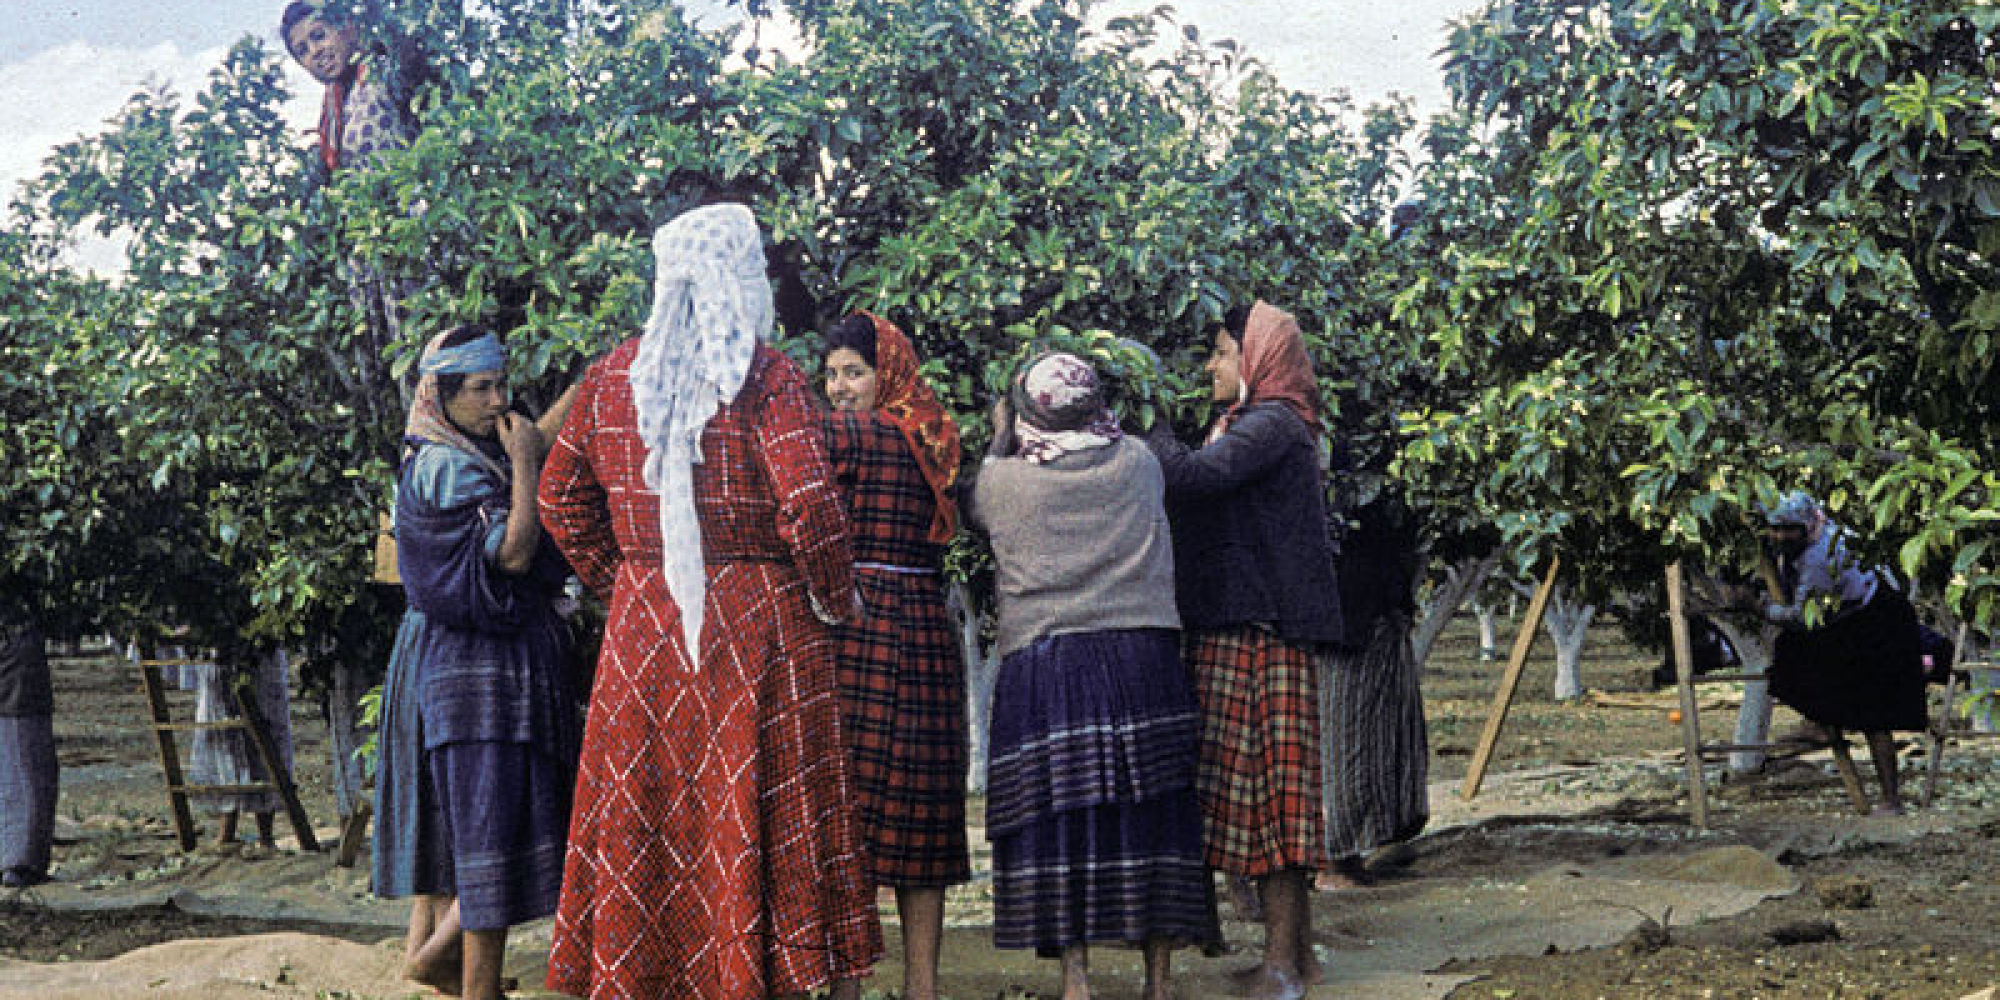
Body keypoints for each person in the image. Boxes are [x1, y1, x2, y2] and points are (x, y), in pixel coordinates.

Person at [539, 203, 882, 1000]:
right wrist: (834, 598)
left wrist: (627, 580)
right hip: (758, 630)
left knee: (653, 815)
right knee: (757, 808)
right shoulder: (763, 377)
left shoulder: (613, 376)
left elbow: (559, 499)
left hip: (644, 636)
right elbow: (809, 504)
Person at [971, 351, 1218, 1000]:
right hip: (1142, 661)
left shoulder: (1003, 483)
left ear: (1026, 410)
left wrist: (1000, 437)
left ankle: (1077, 981)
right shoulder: (1139, 462)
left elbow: (977, 501)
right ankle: (1158, 982)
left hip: (1049, 668)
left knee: (1059, 827)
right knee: (1154, 818)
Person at [1144, 301, 1342, 1000]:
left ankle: (1284, 965)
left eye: (1224, 353)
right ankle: (1298, 958)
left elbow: (1193, 480)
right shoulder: (1258, 425)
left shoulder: (1270, 426)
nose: (1211, 367)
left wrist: (1151, 419)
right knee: (1268, 799)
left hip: (1259, 631)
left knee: (1274, 804)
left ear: (1257, 359)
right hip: (1251, 622)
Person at [384, 324, 580, 1000]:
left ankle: (469, 982)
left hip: (470, 672)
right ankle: (449, 970)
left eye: (502, 385)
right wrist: (527, 463)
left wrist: (585, 388)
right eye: (481, 388)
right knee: (493, 834)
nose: (497, 401)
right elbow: (517, 554)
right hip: (482, 676)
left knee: (485, 833)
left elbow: (529, 437)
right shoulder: (454, 468)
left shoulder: (448, 448)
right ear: (440, 392)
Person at [819, 312, 970, 1000]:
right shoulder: (933, 431)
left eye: (855, 372)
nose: (840, 387)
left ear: (888, 373)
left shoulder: (856, 433)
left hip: (859, 630)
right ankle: (922, 987)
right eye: (832, 375)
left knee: (846, 808)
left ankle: (846, 989)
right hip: (928, 632)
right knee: (925, 816)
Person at [1760, 491, 1928, 815]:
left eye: (1789, 530)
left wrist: (1759, 607)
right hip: (1854, 617)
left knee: (1875, 715)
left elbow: (1800, 617)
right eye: (1775, 529)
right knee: (1793, 658)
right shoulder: (1819, 530)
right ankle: (1824, 716)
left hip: (1878, 622)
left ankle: (1891, 801)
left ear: (1807, 526)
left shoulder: (1818, 558)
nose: (1781, 537)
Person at [1319, 487, 1430, 888]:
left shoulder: (1383, 466)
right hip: (1345, 619)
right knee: (1343, 739)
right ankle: (1333, 857)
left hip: (1376, 610)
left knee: (1373, 739)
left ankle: (1354, 852)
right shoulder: (1326, 462)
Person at [0, 602, 56, 888]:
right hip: (19, 698)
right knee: (28, 777)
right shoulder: (20, 623)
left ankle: (19, 860)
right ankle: (20, 863)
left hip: (18, 694)